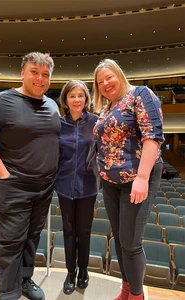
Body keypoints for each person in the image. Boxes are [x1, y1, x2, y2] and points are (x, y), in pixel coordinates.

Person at [0, 52, 61, 300]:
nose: (40, 79)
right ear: (23, 72)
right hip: (14, 186)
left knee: (31, 238)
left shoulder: (52, 104)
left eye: (45, 74)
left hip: (44, 188)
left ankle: (24, 280)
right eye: (34, 72)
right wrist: (3, 173)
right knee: (10, 243)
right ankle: (8, 293)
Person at [93, 59, 164, 300]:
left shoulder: (140, 94)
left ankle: (137, 296)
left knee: (131, 243)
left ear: (119, 75)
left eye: (109, 77)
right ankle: (125, 291)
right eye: (100, 82)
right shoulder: (107, 107)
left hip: (136, 178)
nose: (105, 83)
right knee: (120, 240)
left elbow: (152, 136)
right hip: (111, 182)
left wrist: (142, 178)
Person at [55, 80, 98, 295]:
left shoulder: (95, 122)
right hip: (64, 185)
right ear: (65, 99)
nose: (77, 99)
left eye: (81, 95)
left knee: (85, 230)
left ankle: (83, 270)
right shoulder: (59, 124)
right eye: (72, 95)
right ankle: (70, 273)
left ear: (86, 99)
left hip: (88, 185)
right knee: (69, 230)